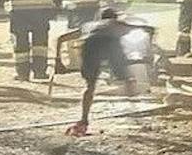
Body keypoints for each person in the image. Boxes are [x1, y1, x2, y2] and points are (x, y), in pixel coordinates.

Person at [65, 7, 157, 137]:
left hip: (89, 45)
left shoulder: (89, 25)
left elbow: (63, 37)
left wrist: (58, 60)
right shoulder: (115, 23)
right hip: (110, 42)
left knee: (90, 85)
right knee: (127, 78)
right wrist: (150, 48)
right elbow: (148, 29)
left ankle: (84, 118)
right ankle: (135, 112)